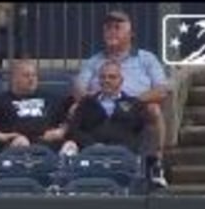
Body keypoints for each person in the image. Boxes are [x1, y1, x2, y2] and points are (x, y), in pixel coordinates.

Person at [74, 9, 170, 188]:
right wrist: (97, 98)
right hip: (100, 109)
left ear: (131, 34)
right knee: (76, 109)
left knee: (154, 110)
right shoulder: (93, 61)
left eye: (117, 27)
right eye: (108, 28)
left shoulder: (146, 59)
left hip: (135, 110)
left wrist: (132, 102)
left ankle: (155, 163)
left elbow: (162, 90)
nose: (111, 32)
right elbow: (79, 89)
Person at [66, 60, 151, 156]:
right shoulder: (86, 103)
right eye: (103, 77)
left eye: (112, 77)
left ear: (121, 80)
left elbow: (144, 132)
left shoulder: (135, 104)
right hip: (91, 153)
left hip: (124, 155)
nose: (107, 80)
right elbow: (74, 130)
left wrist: (127, 148)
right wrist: (92, 145)